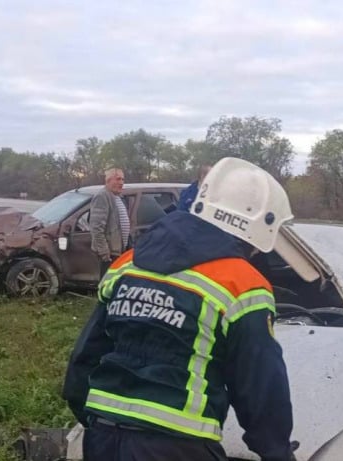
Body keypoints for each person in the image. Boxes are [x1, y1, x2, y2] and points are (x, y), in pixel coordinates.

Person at [62, 157, 296, 461]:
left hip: (103, 437)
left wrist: (98, 423)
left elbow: (85, 358)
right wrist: (277, 452)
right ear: (259, 227)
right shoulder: (243, 284)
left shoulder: (127, 263)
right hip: (179, 444)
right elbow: (260, 385)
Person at [90, 168, 131, 279]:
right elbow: (96, 228)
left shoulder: (118, 197)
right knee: (107, 285)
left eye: (122, 179)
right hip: (109, 254)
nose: (121, 182)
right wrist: (104, 253)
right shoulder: (102, 196)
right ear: (108, 180)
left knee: (115, 285)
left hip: (118, 252)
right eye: (118, 179)